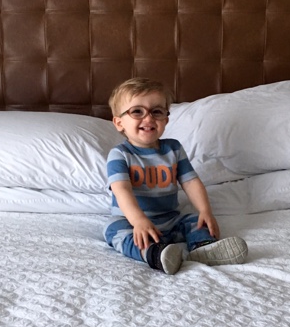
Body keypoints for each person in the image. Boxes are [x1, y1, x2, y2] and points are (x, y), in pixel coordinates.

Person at [103, 78, 248, 275]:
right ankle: (154, 254)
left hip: (170, 220)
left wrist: (205, 211)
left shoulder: (173, 149)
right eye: (137, 111)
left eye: (157, 111)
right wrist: (138, 221)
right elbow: (121, 190)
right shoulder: (120, 154)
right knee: (113, 230)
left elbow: (191, 182)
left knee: (195, 221)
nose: (148, 118)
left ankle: (203, 248)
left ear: (166, 119)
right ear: (119, 123)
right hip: (132, 221)